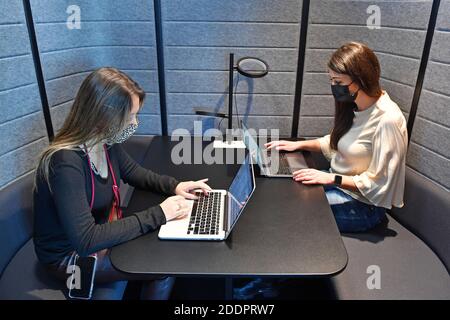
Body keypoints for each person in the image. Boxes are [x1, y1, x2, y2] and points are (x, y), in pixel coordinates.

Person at [235, 41, 408, 299]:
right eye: (331, 80)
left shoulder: (388, 121)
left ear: (360, 79)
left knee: (292, 221)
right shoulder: (355, 106)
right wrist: (298, 144)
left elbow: (379, 185)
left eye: (338, 81)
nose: (333, 87)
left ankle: (265, 286)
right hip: (338, 187)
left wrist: (331, 178)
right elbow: (335, 142)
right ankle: (258, 271)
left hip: (364, 207)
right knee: (279, 201)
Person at [33, 67, 212, 300]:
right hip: (69, 258)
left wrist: (175, 186)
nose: (134, 123)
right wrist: (159, 213)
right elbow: (87, 241)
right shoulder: (65, 163)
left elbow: (133, 172)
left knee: (163, 244)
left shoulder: (103, 140)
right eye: (129, 117)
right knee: (162, 266)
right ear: (103, 116)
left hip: (99, 231)